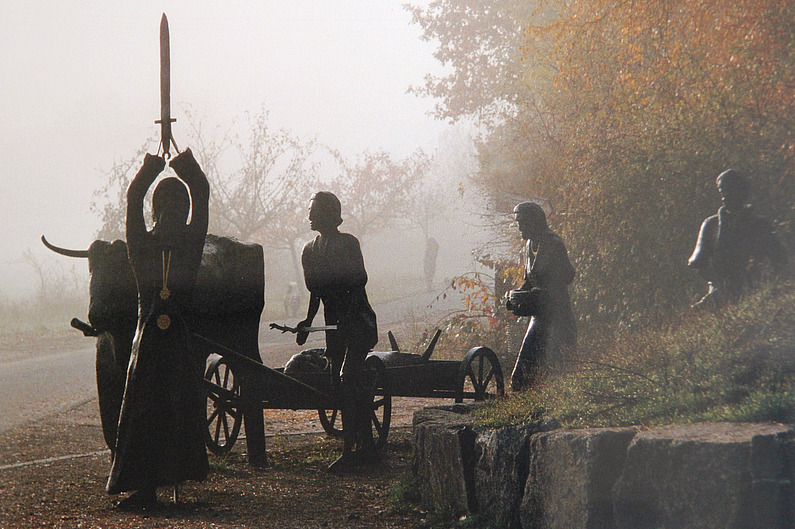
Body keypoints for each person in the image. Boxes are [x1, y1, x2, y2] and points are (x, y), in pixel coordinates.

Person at [106, 150, 210, 507]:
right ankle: (146, 488)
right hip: (152, 341)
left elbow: (198, 191)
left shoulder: (184, 244)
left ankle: (167, 481)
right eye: (165, 206)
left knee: (171, 410)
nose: (171, 214)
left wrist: (170, 161)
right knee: (147, 413)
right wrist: (162, 163)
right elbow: (137, 198)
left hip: (170, 340)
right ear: (156, 211)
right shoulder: (151, 244)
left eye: (177, 207)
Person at [297, 191, 378, 472]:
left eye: (314, 212)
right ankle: (362, 445)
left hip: (357, 324)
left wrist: (348, 315)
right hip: (335, 328)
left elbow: (358, 281)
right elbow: (316, 292)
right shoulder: (309, 250)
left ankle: (353, 450)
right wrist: (307, 322)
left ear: (329, 215)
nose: (309, 216)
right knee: (338, 384)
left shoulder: (348, 243)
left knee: (348, 379)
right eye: (309, 212)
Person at [687, 169, 788, 308]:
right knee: (699, 310)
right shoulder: (711, 224)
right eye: (723, 191)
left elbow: (780, 260)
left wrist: (771, 287)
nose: (726, 195)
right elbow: (697, 262)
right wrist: (721, 282)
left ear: (743, 193)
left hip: (753, 291)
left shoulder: (760, 224)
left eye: (732, 190)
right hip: (719, 291)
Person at [505, 202, 576, 392]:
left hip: (558, 316)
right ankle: (522, 403)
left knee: (554, 370)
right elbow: (529, 281)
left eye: (522, 222)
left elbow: (568, 275)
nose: (519, 227)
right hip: (539, 316)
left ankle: (551, 402)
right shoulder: (529, 245)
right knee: (521, 374)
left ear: (533, 222)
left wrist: (541, 292)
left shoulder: (553, 244)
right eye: (518, 223)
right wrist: (514, 297)